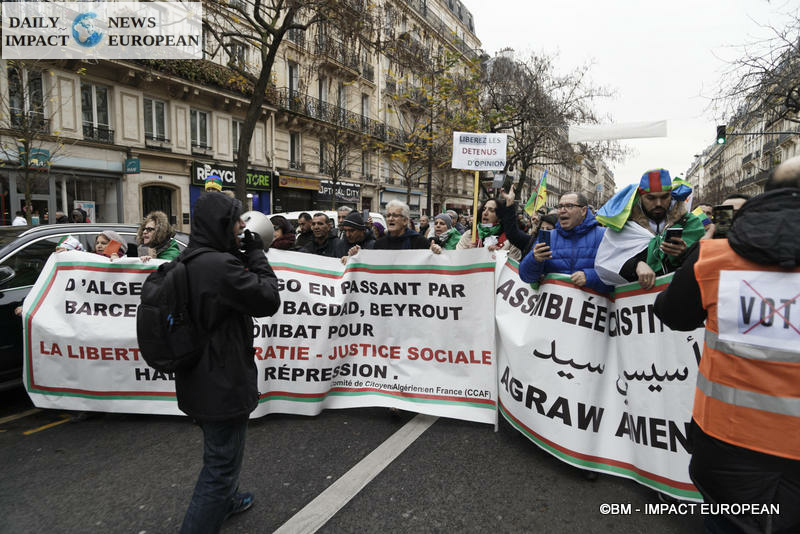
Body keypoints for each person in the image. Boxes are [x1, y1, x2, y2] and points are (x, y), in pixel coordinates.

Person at [653, 157, 800, 534]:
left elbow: (671, 312)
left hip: (728, 443)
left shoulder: (717, 257)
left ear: (765, 194)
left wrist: (705, 248)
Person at [175, 192, 280, 533]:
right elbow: (268, 297)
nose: (240, 227)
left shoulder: (193, 258)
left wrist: (238, 253)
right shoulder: (219, 267)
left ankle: (228, 501)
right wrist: (256, 255)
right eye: (236, 221)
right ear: (221, 224)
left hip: (199, 377)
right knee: (220, 467)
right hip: (222, 381)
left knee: (221, 453)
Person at [595, 168, 705, 289]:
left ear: (671, 195)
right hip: (637, 297)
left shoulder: (689, 223)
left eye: (664, 197)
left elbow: (705, 262)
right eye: (651, 198)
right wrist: (635, 265)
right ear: (640, 197)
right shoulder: (623, 226)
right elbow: (605, 262)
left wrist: (684, 254)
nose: (658, 203)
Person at [518, 192, 613, 293]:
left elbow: (617, 277)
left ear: (583, 211)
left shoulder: (603, 236)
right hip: (554, 301)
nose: (562, 210)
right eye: (560, 206)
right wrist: (534, 259)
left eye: (569, 206)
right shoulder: (548, 237)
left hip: (592, 302)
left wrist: (590, 277)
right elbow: (526, 277)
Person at [456, 198, 522, 260]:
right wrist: (468, 253)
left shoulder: (511, 240)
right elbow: (457, 260)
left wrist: (498, 256)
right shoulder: (469, 235)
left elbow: (514, 265)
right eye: (484, 209)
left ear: (500, 217)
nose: (485, 213)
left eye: (491, 210)